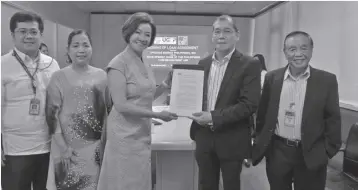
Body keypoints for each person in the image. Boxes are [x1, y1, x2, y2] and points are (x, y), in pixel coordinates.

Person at [97, 12, 178, 190]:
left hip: (141, 134)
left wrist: (165, 84)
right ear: (129, 32)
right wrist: (156, 114)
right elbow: (122, 105)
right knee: (123, 183)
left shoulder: (145, 61)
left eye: (147, 35)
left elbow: (145, 96)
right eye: (138, 32)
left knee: (139, 182)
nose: (142, 38)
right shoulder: (117, 64)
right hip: (124, 137)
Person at [252, 31, 342, 190]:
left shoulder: (327, 81)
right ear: (285, 52)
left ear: (311, 50)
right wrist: (262, 143)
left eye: (303, 48)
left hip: (311, 153)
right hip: (278, 152)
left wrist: (326, 152)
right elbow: (262, 115)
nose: (298, 54)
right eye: (292, 49)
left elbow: (333, 120)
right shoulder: (272, 78)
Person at [189, 15, 261, 190]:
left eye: (227, 31)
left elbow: (249, 104)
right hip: (204, 137)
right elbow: (198, 97)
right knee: (205, 184)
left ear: (237, 35)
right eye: (217, 31)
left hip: (232, 138)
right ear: (212, 36)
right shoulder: (203, 63)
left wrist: (213, 116)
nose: (221, 36)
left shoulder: (249, 64)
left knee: (231, 185)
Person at [1, 11, 60, 190]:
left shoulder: (52, 64)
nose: (28, 36)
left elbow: (58, 105)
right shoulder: (2, 65)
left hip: (48, 147)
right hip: (15, 149)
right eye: (22, 31)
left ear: (41, 34)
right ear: (13, 35)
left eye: (33, 32)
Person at [45, 29, 108, 190]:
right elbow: (51, 116)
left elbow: (107, 113)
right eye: (76, 45)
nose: (81, 50)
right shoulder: (58, 77)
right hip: (66, 149)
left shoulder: (102, 76)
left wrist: (105, 144)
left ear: (91, 49)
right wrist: (64, 148)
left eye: (85, 45)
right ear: (68, 50)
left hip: (94, 150)